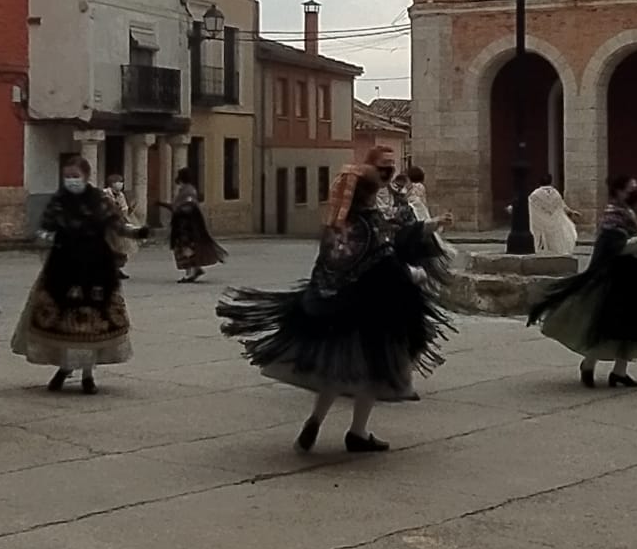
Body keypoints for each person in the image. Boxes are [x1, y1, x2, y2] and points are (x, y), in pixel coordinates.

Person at [218, 163, 451, 454]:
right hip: (367, 312)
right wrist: (414, 275)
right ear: (370, 193)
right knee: (370, 373)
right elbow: (386, 263)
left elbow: (325, 266)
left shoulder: (338, 225)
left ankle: (315, 419)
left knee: (334, 371)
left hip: (330, 310)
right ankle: (357, 432)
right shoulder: (372, 224)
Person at [527, 172, 637, 388]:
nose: (635, 192)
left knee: (632, 325)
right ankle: (588, 365)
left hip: (633, 278)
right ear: (619, 191)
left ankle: (620, 372)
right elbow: (614, 248)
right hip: (615, 279)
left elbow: (634, 243)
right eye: (631, 188)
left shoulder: (628, 213)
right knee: (606, 324)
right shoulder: (613, 216)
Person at [10, 155, 132, 394]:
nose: (71, 180)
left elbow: (116, 223)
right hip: (63, 265)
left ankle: (87, 375)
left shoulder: (99, 199)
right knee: (63, 318)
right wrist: (47, 238)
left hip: (96, 266)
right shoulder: (59, 201)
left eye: (75, 176)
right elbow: (44, 228)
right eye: (67, 176)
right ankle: (64, 368)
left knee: (92, 322)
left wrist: (135, 232)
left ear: (86, 176)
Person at [169, 165, 227, 282]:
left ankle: (190, 272)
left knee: (187, 248)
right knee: (186, 248)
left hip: (187, 225)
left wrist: (179, 211)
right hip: (183, 224)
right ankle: (195, 269)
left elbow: (188, 206)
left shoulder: (189, 191)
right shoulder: (185, 190)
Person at [526, 176, 579, 256]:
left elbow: (528, 205)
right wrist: (571, 211)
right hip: (554, 221)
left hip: (540, 221)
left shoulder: (535, 194)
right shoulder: (556, 193)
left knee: (541, 237)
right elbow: (562, 205)